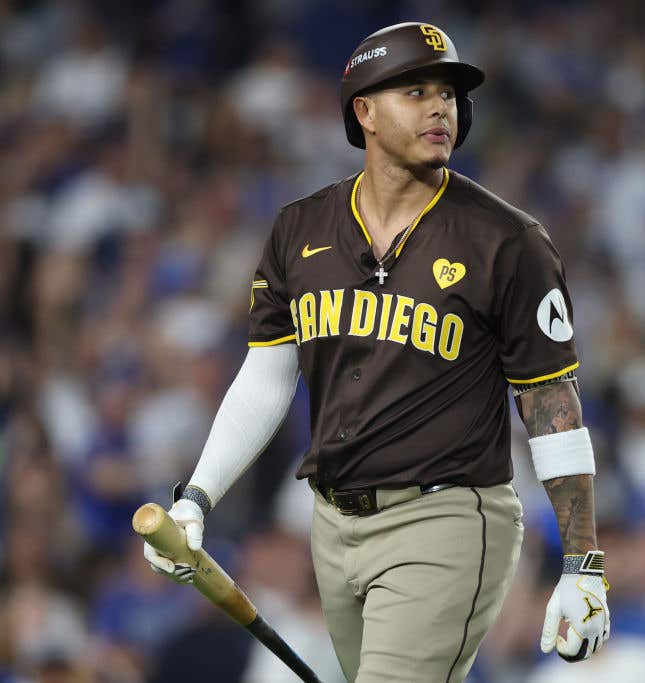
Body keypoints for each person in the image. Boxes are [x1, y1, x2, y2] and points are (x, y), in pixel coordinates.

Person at [142, 22, 610, 683]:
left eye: (447, 93)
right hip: (331, 526)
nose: (439, 107)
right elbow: (269, 374)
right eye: (415, 90)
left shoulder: (509, 241)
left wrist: (583, 564)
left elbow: (551, 403)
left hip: (447, 517)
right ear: (363, 111)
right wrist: (196, 498)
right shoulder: (300, 228)